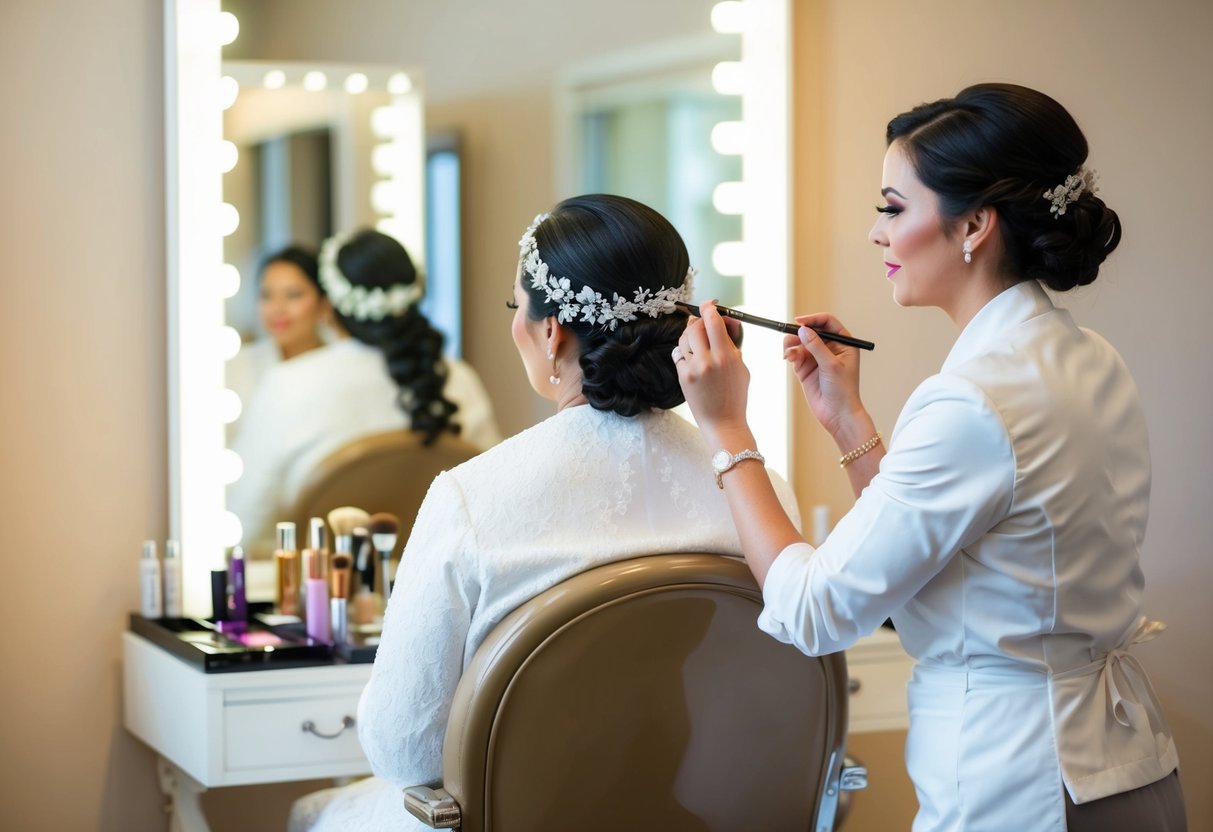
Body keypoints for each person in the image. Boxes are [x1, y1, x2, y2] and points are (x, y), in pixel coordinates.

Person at [675, 83, 1186, 831]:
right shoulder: (1084, 357)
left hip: (1021, 783)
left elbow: (812, 611)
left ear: (974, 224)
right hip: (1125, 769)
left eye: (892, 207)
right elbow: (952, 555)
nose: (877, 234)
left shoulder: (971, 399)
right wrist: (848, 421)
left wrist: (726, 433)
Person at [288, 194, 800, 831]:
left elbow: (405, 750)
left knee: (313, 814)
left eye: (515, 307)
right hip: (703, 815)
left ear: (551, 330)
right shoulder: (760, 494)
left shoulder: (472, 498)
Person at [227, 229, 503, 557]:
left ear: (328, 306)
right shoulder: (458, 378)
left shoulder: (288, 384)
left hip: (323, 592)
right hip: (441, 577)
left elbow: (247, 516)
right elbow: (494, 496)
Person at [225, 245, 331, 413]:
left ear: (323, 303)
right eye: (267, 295)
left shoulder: (342, 367)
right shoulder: (237, 369)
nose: (278, 308)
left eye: (293, 295)